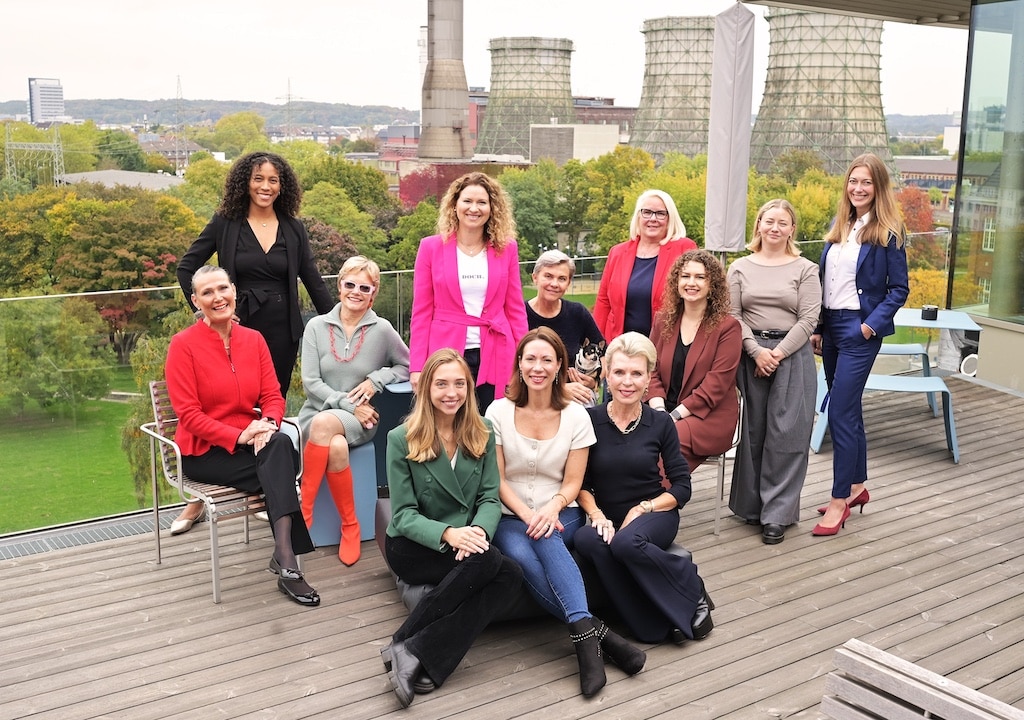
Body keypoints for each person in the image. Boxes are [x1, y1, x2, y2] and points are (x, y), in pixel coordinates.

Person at [172, 151, 334, 536]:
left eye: (273, 180)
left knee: (265, 410)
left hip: (279, 332)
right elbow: (187, 266)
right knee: (221, 405)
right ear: (245, 181)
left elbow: (311, 278)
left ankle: (261, 488)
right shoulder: (226, 222)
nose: (265, 186)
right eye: (258, 178)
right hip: (234, 328)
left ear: (284, 186)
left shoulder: (293, 227)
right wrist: (205, 315)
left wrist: (337, 322)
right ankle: (199, 497)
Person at [485, 328, 645, 698]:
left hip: (563, 510)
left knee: (547, 536)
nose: (537, 367)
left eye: (546, 359)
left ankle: (589, 647)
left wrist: (551, 508)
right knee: (528, 550)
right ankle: (597, 639)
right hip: (511, 514)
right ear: (519, 364)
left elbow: (574, 483)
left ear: (560, 365)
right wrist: (529, 514)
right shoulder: (498, 410)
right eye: (530, 359)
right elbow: (495, 481)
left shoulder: (576, 416)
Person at [164, 266, 319, 607]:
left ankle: (285, 557)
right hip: (206, 453)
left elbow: (274, 397)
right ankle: (286, 561)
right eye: (207, 292)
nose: (217, 297)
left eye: (223, 288)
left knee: (279, 445)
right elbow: (188, 415)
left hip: (256, 444)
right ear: (196, 301)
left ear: (234, 291)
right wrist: (241, 436)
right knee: (282, 463)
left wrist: (267, 424)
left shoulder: (254, 340)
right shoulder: (183, 346)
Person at [381, 349, 523, 708]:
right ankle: (409, 645)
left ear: (469, 387)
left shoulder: (483, 432)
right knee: (494, 564)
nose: (451, 393)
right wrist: (449, 534)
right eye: (441, 384)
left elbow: (490, 499)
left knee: (509, 573)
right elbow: (403, 515)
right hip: (416, 544)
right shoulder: (402, 438)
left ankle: (411, 649)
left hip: (468, 540)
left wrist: (476, 533)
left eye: (459, 383)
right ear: (426, 388)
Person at [574, 332, 714, 645]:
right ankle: (645, 620)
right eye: (619, 372)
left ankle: (689, 580)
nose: (627, 381)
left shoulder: (660, 423)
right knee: (586, 538)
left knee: (625, 543)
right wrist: (596, 515)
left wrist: (643, 508)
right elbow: (579, 483)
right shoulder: (588, 420)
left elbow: (681, 487)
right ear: (606, 375)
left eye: (636, 373)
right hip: (607, 516)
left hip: (656, 513)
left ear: (648, 379)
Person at [810, 153, 909, 537]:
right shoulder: (840, 225)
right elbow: (827, 283)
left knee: (839, 411)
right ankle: (856, 486)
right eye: (853, 181)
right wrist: (819, 326)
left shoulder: (889, 231)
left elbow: (899, 289)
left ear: (878, 186)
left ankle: (839, 503)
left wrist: (869, 327)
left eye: (866, 182)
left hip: (859, 329)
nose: (858, 188)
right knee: (849, 410)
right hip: (832, 327)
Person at [297, 256, 410, 567]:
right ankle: (350, 525)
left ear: (373, 293)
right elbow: (310, 383)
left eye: (365, 287)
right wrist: (349, 405)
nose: (356, 292)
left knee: (327, 427)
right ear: (339, 286)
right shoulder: (316, 327)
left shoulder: (383, 329)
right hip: (320, 412)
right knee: (328, 437)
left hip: (362, 421)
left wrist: (376, 380)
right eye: (350, 284)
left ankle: (302, 515)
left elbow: (408, 364)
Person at [727, 200, 822, 544]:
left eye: (783, 223)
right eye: (770, 221)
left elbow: (809, 318)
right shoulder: (739, 267)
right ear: (759, 225)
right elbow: (733, 315)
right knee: (753, 431)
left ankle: (777, 514)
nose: (775, 228)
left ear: (792, 229)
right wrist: (755, 351)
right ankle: (751, 506)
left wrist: (778, 353)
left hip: (792, 356)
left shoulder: (805, 269)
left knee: (787, 434)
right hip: (751, 355)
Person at [408, 172, 529, 413]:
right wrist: (417, 367)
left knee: (491, 423)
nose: (474, 208)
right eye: (467, 201)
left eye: (482, 202)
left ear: (492, 208)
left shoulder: (507, 249)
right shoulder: (430, 247)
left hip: (496, 352)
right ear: (455, 205)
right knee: (447, 424)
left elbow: (515, 309)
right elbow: (421, 312)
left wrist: (523, 359)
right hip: (445, 352)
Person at [647, 249, 742, 471]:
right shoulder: (663, 321)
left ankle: (654, 503)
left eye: (700, 277)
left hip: (708, 417)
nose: (692, 283)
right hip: (661, 410)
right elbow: (650, 369)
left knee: (663, 445)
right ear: (676, 281)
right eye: (686, 276)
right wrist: (661, 412)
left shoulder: (727, 328)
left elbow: (716, 385)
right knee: (629, 443)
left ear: (712, 286)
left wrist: (674, 416)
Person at [593, 190, 697, 340]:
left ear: (670, 218)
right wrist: (597, 340)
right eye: (647, 212)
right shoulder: (617, 252)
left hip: (666, 343)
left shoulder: (684, 249)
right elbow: (603, 300)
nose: (653, 219)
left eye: (661, 213)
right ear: (638, 216)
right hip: (620, 345)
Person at [525, 250, 605, 406]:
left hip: (576, 395)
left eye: (562, 279)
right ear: (535, 277)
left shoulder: (577, 313)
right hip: (530, 392)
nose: (554, 284)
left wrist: (595, 379)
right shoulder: (519, 314)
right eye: (548, 276)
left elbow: (605, 354)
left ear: (568, 283)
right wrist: (557, 389)